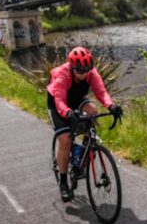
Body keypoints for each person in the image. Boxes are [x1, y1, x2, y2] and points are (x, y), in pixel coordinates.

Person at [47, 46, 123, 202]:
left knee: (92, 112)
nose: (83, 74)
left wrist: (111, 106)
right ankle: (63, 182)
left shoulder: (91, 73)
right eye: (79, 72)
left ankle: (83, 155)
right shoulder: (63, 74)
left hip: (76, 99)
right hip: (57, 103)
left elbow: (101, 92)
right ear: (72, 67)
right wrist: (68, 113)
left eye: (86, 71)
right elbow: (60, 101)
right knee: (65, 140)